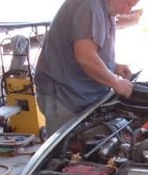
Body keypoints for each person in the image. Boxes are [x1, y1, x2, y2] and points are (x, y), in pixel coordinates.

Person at [35, 0, 138, 135]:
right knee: (67, 153)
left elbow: (93, 49)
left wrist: (114, 67)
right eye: (129, 4)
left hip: (82, 95)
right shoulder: (89, 6)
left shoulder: (105, 9)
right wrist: (116, 82)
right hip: (65, 96)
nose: (127, 11)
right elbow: (85, 56)